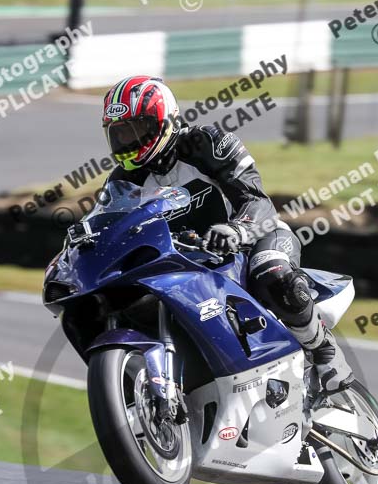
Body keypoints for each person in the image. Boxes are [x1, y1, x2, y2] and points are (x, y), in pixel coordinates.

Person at [101, 75, 353, 394]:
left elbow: (257, 199)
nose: (129, 141)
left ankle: (324, 352)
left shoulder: (207, 143)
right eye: (120, 133)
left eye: (136, 129)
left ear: (163, 122)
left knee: (271, 270)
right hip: (192, 264)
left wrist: (236, 229)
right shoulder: (122, 182)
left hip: (255, 235)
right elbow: (109, 233)